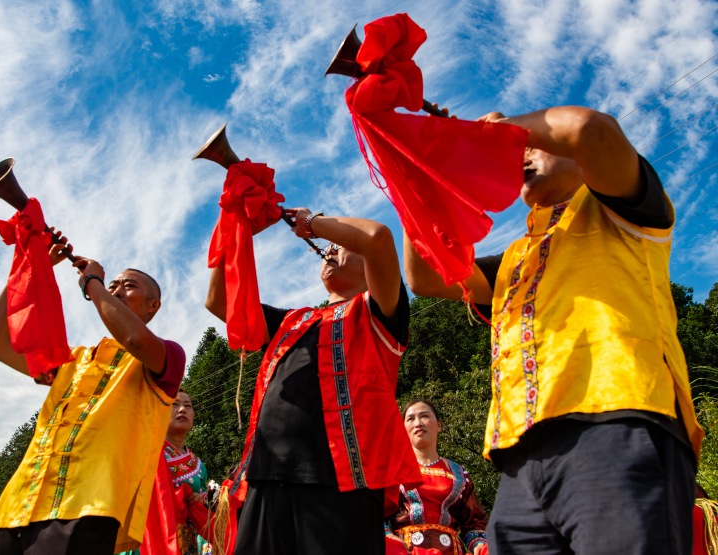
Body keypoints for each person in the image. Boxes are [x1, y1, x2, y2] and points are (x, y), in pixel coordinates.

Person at [404, 106, 703, 554]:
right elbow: (424, 277)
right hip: (520, 459)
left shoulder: (621, 207)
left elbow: (589, 130)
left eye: (530, 145)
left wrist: (484, 135)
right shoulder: (514, 258)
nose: (517, 154)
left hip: (616, 424)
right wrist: (424, 172)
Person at [205, 208, 421, 555]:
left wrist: (312, 223)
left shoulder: (378, 314)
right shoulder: (292, 321)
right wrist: (235, 229)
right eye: (329, 245)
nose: (330, 249)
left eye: (340, 244)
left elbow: (378, 237)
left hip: (341, 483)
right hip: (264, 477)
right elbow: (218, 300)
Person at [0, 232, 186, 555]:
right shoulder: (72, 360)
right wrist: (33, 269)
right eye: (112, 283)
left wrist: (93, 283)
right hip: (20, 504)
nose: (116, 288)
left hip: (87, 509)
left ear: (153, 305)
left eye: (128, 286)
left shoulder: (166, 356)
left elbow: (133, 338)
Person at [386, 399, 488, 555]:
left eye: (424, 416)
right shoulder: (392, 471)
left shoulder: (459, 474)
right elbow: (371, 514)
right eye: (411, 419)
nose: (418, 423)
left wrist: (479, 545)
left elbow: (474, 523)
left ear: (439, 425)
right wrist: (390, 538)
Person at [120, 390, 211, 555]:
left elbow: (204, 511)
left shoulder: (199, 465)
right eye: (174, 405)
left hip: (185, 543)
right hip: (148, 541)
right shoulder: (146, 453)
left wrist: (198, 503)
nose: (182, 409)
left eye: (187, 406)